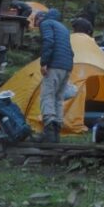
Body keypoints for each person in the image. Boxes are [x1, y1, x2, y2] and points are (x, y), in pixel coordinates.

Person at [35, 9, 74, 143]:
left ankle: (49, 132)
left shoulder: (47, 23)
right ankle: (56, 133)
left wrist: (44, 62)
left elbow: (48, 41)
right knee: (58, 98)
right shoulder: (63, 28)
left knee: (47, 96)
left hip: (54, 65)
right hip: (67, 66)